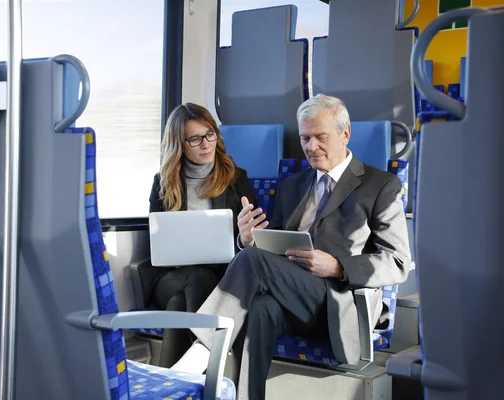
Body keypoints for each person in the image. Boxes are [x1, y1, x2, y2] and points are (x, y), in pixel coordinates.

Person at [171, 94, 412, 399]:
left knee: (253, 260)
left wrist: (337, 266)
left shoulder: (382, 186)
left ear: (345, 133)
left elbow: (398, 262)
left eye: (320, 137)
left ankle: (203, 349)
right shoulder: (292, 185)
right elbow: (273, 248)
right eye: (305, 138)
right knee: (259, 307)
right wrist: (247, 237)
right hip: (291, 295)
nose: (311, 146)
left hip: (338, 301)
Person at [146, 102, 259, 368]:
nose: (206, 144)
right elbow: (158, 241)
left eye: (210, 134)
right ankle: (208, 367)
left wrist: (245, 238)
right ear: (179, 144)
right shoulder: (163, 182)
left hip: (220, 278)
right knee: (195, 279)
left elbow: (250, 242)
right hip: (172, 277)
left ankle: (177, 383)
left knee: (179, 304)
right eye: (195, 139)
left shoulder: (235, 177)